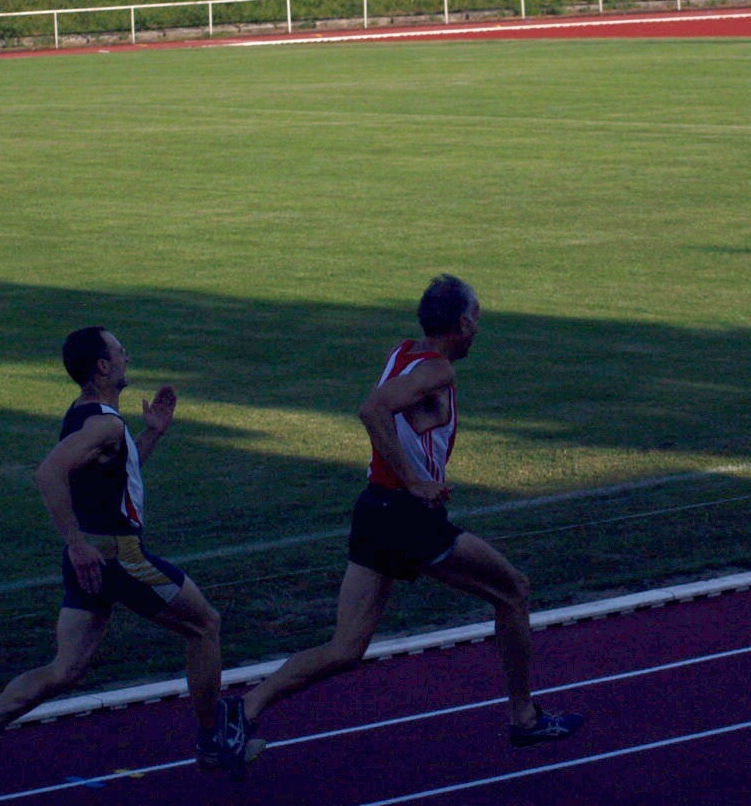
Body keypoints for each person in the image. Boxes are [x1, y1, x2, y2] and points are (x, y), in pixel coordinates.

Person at [215, 275, 582, 778]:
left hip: (376, 509)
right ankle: (524, 718)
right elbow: (372, 410)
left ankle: (244, 708)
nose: (479, 330)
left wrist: (413, 462)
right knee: (513, 591)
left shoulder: (405, 353)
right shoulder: (437, 370)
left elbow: (396, 410)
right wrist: (415, 481)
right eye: (477, 320)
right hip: (406, 515)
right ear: (462, 322)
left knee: (346, 647)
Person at [0, 327, 226, 790]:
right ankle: (215, 741)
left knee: (66, 668)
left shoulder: (84, 415)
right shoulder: (105, 425)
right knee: (205, 626)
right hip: (119, 557)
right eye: (120, 351)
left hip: (90, 561)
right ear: (102, 366)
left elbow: (113, 480)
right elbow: (48, 473)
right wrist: (76, 542)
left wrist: (151, 435)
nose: (127, 356)